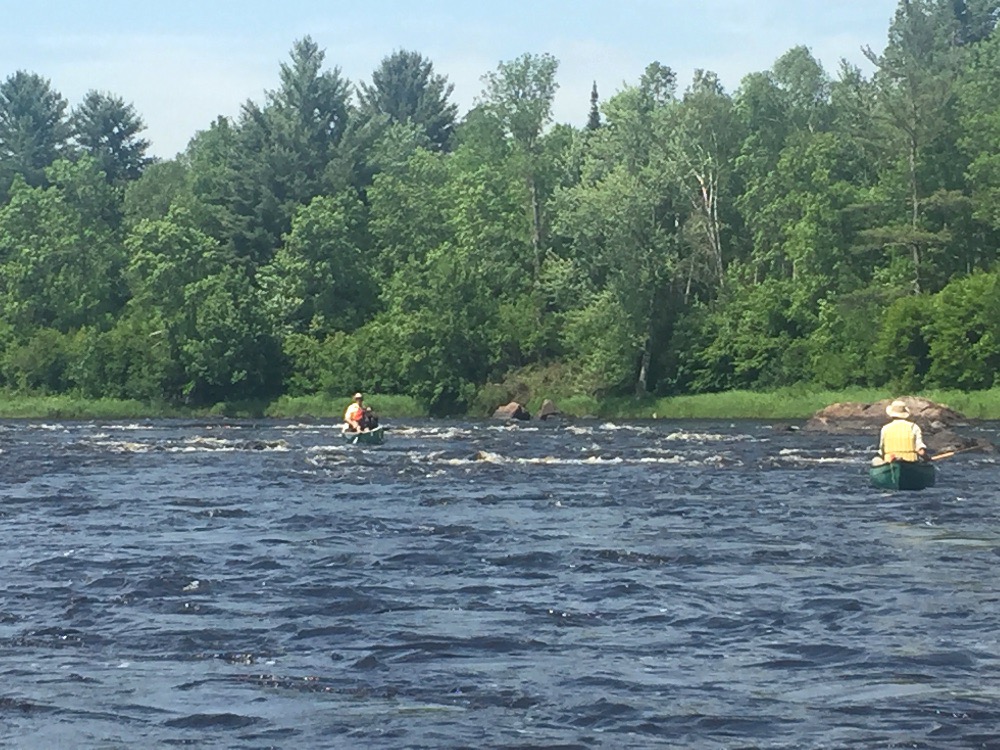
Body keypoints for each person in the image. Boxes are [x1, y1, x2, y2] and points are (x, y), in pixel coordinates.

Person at [876, 399, 929, 464]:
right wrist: (927, 458)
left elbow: (882, 450)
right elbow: (920, 451)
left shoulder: (885, 428)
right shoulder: (914, 427)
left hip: (890, 462)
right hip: (911, 462)